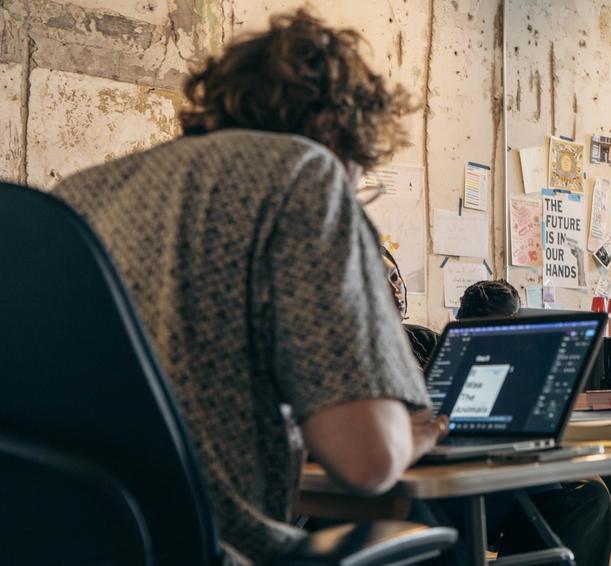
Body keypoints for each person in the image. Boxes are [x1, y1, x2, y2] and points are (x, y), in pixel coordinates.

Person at [53, 11, 446, 563]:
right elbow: (367, 460)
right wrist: (419, 434)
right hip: (213, 547)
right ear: (339, 125)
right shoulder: (303, 173)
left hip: (77, 540)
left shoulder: (84, 190)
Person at [446, 277, 611, 566]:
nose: (511, 333)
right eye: (499, 324)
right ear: (467, 326)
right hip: (502, 465)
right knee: (588, 492)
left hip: (557, 448)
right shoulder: (454, 361)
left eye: (515, 321)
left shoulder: (530, 361)